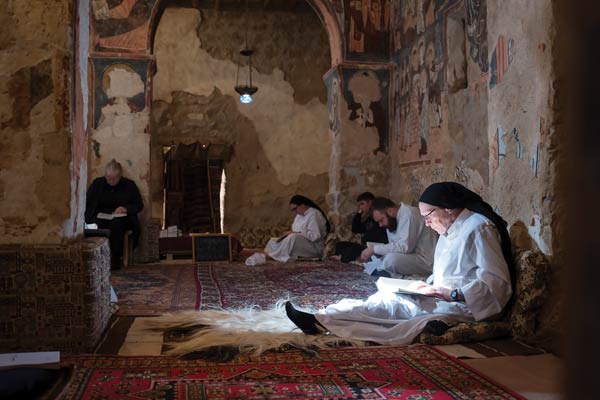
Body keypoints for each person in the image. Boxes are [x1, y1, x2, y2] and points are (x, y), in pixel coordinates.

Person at [285, 182, 515, 345]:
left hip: (464, 305)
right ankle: (323, 318)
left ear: (448, 207)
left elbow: (495, 283)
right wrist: (429, 285)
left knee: (395, 308)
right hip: (440, 297)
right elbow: (451, 271)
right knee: (386, 299)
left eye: (428, 215)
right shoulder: (451, 229)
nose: (426, 223)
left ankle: (322, 321)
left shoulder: (478, 228)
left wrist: (452, 294)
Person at [85, 159, 143, 270]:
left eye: (114, 178)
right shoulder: (98, 184)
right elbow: (89, 203)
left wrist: (125, 208)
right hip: (101, 216)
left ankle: (115, 259)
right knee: (96, 224)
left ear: (120, 176)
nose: (110, 181)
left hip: (121, 218)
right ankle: (99, 258)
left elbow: (139, 205)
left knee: (116, 224)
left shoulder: (129, 185)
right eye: (108, 178)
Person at [359, 197, 437, 276]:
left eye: (381, 220)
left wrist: (374, 249)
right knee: (378, 260)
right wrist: (376, 252)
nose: (380, 225)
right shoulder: (392, 220)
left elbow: (404, 247)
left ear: (390, 211)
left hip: (426, 260)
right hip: (412, 256)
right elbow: (395, 246)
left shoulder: (409, 214)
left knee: (391, 260)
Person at [263, 195, 330, 263]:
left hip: (314, 247)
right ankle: (272, 254)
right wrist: (289, 234)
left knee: (293, 237)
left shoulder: (314, 214)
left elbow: (315, 236)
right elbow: (296, 231)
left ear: (303, 204)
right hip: (302, 242)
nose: (295, 212)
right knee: (274, 240)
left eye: (295, 208)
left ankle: (273, 255)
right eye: (292, 210)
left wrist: (295, 233)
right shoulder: (299, 216)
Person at [331, 192, 388, 263]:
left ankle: (342, 258)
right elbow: (356, 229)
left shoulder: (379, 217)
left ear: (370, 202)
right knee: (340, 245)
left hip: (375, 247)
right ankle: (341, 257)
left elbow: (377, 235)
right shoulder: (369, 219)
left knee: (354, 249)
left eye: (362, 204)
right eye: (359, 205)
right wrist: (358, 214)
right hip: (365, 246)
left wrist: (365, 241)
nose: (361, 207)